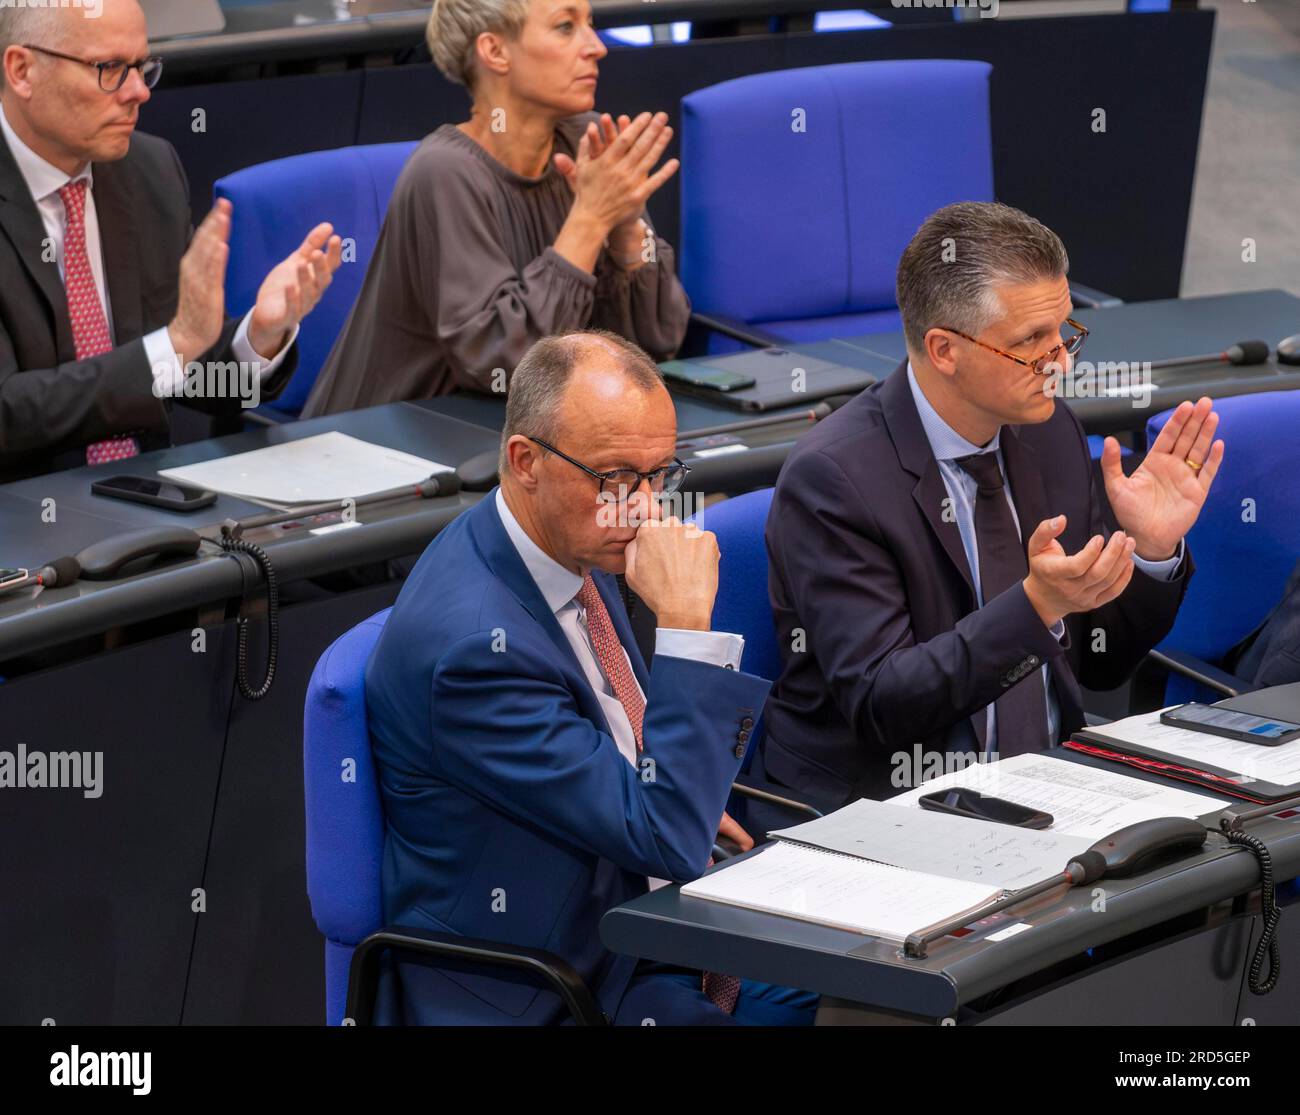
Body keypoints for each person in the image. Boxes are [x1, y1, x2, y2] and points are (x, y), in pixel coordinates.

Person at [365, 330, 816, 1025]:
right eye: (614, 477)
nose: (643, 507)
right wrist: (689, 629)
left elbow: (642, 785)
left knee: (891, 976)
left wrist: (677, 800)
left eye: (660, 472)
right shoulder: (472, 651)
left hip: (642, 910)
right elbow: (664, 835)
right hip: (562, 983)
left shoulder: (565, 542)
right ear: (525, 461)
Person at [762, 202, 1224, 806]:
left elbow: (1098, 664)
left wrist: (1153, 550)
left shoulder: (1048, 431)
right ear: (945, 350)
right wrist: (1034, 607)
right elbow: (883, 704)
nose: (1059, 362)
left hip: (1051, 787)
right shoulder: (835, 479)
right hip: (896, 803)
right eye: (1031, 342)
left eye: (1064, 333)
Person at [0, 0, 343, 483]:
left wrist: (258, 338)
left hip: (143, 500)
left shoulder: (147, 170)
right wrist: (176, 346)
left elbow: (188, 378)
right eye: (110, 69)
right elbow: (7, 415)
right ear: (22, 70)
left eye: (142, 67)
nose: (139, 92)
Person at [301, 0, 690, 417]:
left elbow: (658, 339)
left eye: (590, 25)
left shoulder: (587, 141)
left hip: (537, 433)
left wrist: (626, 224)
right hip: (391, 444)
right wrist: (591, 219)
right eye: (565, 27)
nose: (597, 46)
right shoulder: (444, 173)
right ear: (495, 52)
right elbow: (504, 366)